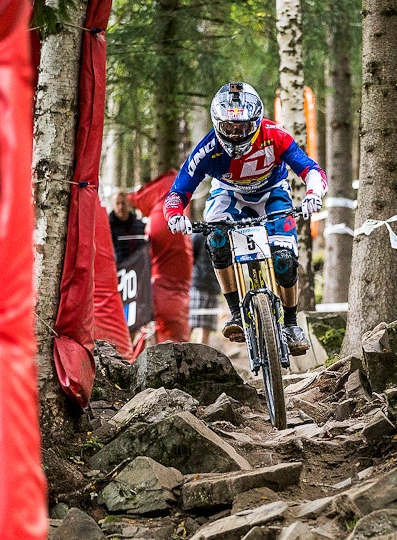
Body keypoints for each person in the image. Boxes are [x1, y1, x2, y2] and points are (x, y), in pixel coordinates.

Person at [163, 81, 327, 356]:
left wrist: (313, 194)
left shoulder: (275, 135)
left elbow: (310, 168)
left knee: (285, 260)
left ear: (256, 122)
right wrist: (175, 216)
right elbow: (177, 192)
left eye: (243, 127)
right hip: (229, 196)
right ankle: (237, 313)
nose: (236, 134)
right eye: (229, 127)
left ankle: (290, 323)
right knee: (215, 239)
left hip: (272, 193)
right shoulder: (207, 150)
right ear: (218, 123)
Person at [189, 231, 221, 345]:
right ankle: (181, 356)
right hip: (199, 285)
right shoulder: (200, 235)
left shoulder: (225, 235)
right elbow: (190, 256)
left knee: (205, 329)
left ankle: (200, 360)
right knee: (191, 325)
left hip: (213, 287)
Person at [108, 190, 146, 264]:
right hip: (116, 269)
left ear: (129, 204)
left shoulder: (140, 225)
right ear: (113, 205)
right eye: (117, 203)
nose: (121, 207)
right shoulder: (107, 227)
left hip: (137, 268)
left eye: (123, 203)